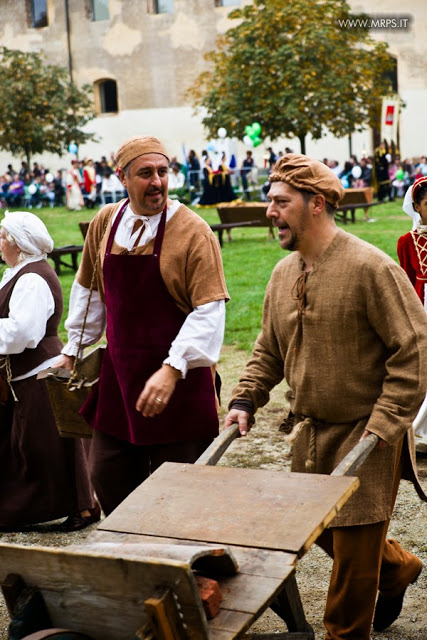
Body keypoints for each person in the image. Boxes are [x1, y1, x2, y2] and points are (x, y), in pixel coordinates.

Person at [223, 154, 427, 640]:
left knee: (352, 571)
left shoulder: (370, 268)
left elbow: (414, 348)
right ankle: (397, 568)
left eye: (280, 202)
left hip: (368, 432)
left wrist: (386, 423)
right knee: (325, 535)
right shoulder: (280, 275)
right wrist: (245, 397)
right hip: (310, 431)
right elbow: (269, 348)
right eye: (269, 201)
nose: (270, 212)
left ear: (316, 204)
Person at [55, 135, 229, 516]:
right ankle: (135, 561)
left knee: (181, 493)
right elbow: (90, 290)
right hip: (120, 378)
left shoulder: (193, 231)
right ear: (122, 177)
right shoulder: (106, 221)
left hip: (179, 383)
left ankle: (190, 569)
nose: (157, 182)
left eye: (163, 172)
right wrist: (73, 349)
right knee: (108, 476)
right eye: (146, 173)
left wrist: (172, 368)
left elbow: (210, 311)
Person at [0, 211, 99, 532]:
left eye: (2, 236)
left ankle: (82, 507)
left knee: (48, 447)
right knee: (33, 447)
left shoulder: (32, 278)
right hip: (25, 376)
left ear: (15, 242)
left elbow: (23, 333)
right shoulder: (20, 273)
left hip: (40, 374)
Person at [397, 175, 427, 453]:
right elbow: (406, 279)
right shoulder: (407, 242)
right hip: (422, 304)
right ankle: (419, 432)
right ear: (417, 206)